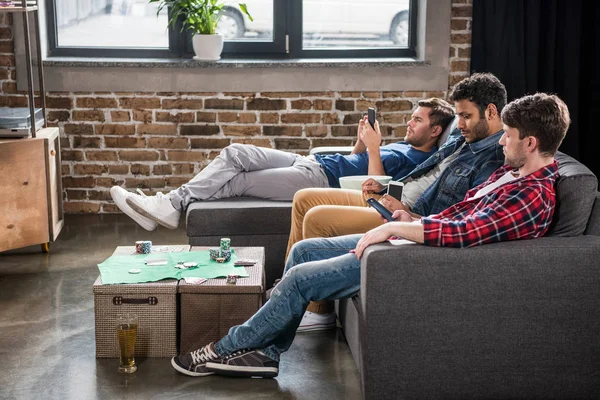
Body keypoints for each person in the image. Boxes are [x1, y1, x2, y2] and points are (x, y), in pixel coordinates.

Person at [170, 92, 570, 379]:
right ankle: (268, 352)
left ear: (530, 142)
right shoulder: (511, 173)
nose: (501, 140)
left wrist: (396, 227)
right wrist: (404, 213)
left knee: (299, 278)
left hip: (420, 259)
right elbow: (456, 212)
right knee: (307, 250)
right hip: (411, 241)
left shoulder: (532, 195)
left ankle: (221, 350)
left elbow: (464, 234)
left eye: (509, 134)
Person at [287, 72, 508, 330]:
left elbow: (460, 213)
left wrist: (408, 214)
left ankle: (317, 311)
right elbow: (425, 177)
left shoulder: (492, 158)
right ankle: (286, 289)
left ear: (491, 112)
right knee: (304, 198)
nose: (459, 124)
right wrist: (388, 187)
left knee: (318, 217)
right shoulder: (463, 139)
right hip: (396, 197)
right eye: (458, 116)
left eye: (466, 116)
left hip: (409, 215)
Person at [110, 99, 454, 231]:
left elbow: (374, 184)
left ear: (436, 130)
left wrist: (375, 150)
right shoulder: (405, 144)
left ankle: (169, 205)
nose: (410, 124)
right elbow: (356, 159)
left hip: (320, 178)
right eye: (411, 117)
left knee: (238, 181)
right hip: (311, 160)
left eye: (418, 121)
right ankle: (169, 205)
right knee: (235, 153)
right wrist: (363, 141)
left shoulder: (420, 159)